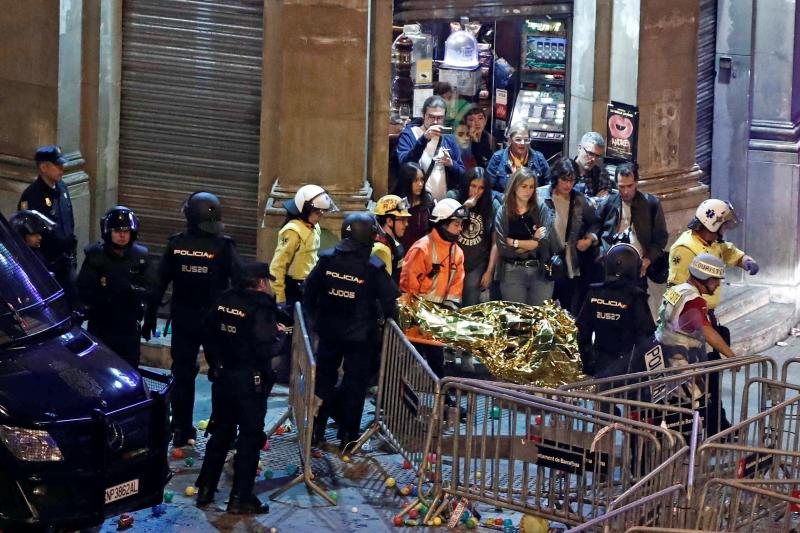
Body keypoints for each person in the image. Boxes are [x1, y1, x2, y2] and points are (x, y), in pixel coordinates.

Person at [143, 191, 242, 447]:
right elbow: (240, 283)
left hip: (184, 320)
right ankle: (222, 428)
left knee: (183, 374)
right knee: (221, 373)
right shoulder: (224, 245)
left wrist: (150, 313)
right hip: (216, 322)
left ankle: (181, 429)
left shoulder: (176, 245)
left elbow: (158, 282)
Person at [305, 213, 399, 450]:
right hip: (360, 338)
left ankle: (316, 429)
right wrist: (389, 321)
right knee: (354, 385)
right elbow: (390, 301)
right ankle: (348, 435)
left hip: (329, 333)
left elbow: (309, 290)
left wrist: (315, 317)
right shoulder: (373, 266)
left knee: (323, 381)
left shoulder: (327, 260)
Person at [668, 199, 757, 431]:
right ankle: (700, 431)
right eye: (723, 225)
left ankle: (717, 426)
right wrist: (730, 354)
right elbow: (683, 300)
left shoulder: (711, 242)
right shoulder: (686, 249)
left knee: (712, 381)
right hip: (689, 328)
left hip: (705, 319)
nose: (718, 284)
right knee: (698, 385)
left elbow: (725, 250)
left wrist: (743, 259)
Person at [195, 262, 277, 514]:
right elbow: (264, 346)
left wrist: (216, 364)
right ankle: (240, 498)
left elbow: (207, 334)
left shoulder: (224, 299)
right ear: (261, 283)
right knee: (249, 440)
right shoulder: (261, 306)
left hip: (223, 377)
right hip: (248, 382)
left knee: (221, 433)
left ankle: (206, 490)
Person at [657, 253, 738, 435]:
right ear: (704, 277)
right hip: (682, 369)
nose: (718, 284)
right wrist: (731, 356)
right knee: (687, 420)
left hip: (666, 361)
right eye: (715, 280)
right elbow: (707, 331)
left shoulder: (677, 290)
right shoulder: (693, 300)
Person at [77, 206, 152, 368]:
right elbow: (83, 289)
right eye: (117, 231)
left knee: (130, 369)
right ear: (108, 232)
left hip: (129, 326)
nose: (122, 235)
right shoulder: (95, 256)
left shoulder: (141, 257)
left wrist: (149, 316)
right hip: (102, 325)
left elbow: (151, 288)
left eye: (126, 231)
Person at [400, 198, 467, 378]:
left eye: (461, 224)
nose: (460, 229)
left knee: (436, 361)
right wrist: (415, 313)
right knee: (407, 360)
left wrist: (448, 311)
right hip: (417, 315)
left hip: (437, 317)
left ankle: (441, 399)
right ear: (442, 223)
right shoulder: (422, 248)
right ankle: (396, 399)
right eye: (456, 224)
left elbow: (456, 285)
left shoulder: (457, 253)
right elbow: (408, 284)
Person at [576, 243, 655, 378]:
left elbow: (582, 332)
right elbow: (646, 337)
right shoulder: (635, 297)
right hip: (628, 367)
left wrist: (588, 363)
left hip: (600, 364)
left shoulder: (594, 293)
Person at [537, 158, 600, 315]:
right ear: (556, 177)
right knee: (543, 308)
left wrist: (589, 239)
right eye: (564, 180)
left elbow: (595, 223)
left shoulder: (578, 199)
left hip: (569, 261)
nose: (568, 185)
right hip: (544, 258)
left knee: (566, 308)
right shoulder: (540, 195)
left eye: (572, 181)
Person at [18, 145, 78, 306]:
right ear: (44, 167)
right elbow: (27, 235)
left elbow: (69, 220)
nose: (62, 169)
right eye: (57, 165)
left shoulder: (62, 188)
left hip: (66, 261)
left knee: (73, 304)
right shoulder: (32, 196)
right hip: (47, 265)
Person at [596, 163, 668, 290]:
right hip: (612, 267)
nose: (626, 191)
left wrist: (648, 259)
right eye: (621, 186)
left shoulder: (650, 204)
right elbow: (596, 228)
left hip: (637, 267)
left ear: (636, 182)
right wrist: (602, 253)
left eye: (630, 186)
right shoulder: (609, 203)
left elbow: (660, 238)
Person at [270, 184, 337, 310]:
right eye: (317, 212)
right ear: (305, 210)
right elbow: (277, 266)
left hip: (308, 285)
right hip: (293, 288)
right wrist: (280, 298)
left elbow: (311, 257)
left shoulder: (313, 226)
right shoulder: (293, 231)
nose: (320, 216)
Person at [495, 166, 557, 305]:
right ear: (514, 186)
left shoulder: (541, 208)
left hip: (540, 270)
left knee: (539, 318)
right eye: (524, 186)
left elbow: (543, 242)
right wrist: (533, 242)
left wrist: (515, 243)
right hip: (512, 271)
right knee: (517, 320)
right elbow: (504, 249)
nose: (528, 191)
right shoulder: (503, 211)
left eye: (531, 187)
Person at [396, 95, 465, 201]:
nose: (435, 122)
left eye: (440, 118)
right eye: (431, 117)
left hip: (443, 204)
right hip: (416, 202)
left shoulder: (449, 139)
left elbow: (463, 175)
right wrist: (423, 139)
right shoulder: (409, 135)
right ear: (423, 115)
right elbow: (404, 165)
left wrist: (451, 164)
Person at [450, 167, 501, 307]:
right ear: (467, 184)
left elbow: (495, 243)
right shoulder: (453, 198)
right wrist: (465, 207)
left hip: (476, 263)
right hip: (451, 262)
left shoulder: (492, 205)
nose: (476, 192)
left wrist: (489, 271)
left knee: (470, 307)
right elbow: (444, 226)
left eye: (481, 188)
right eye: (473, 186)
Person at [486, 123, 549, 196]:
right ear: (510, 140)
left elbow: (550, 184)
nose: (522, 143)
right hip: (505, 203)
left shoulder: (538, 157)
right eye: (518, 139)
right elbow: (488, 188)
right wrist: (502, 199)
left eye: (526, 140)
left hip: (532, 203)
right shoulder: (497, 157)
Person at [394, 162, 435, 253]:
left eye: (422, 180)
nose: (420, 184)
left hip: (423, 252)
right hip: (402, 253)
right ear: (407, 181)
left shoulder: (428, 201)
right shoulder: (397, 202)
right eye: (415, 180)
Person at [371, 194, 412, 284]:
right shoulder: (380, 249)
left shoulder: (393, 242)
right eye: (402, 219)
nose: (406, 224)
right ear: (389, 221)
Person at [571, 132, 615, 204]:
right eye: (590, 153)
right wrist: (594, 200)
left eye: (597, 156)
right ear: (579, 148)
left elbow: (603, 203)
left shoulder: (601, 173)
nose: (593, 159)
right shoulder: (566, 171)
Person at [463, 105, 495, 169]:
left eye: (480, 118)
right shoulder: (463, 140)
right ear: (466, 122)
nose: (477, 123)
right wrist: (475, 142)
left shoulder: (489, 138)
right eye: (471, 119)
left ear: (485, 121)